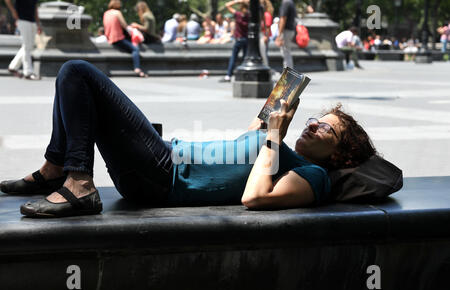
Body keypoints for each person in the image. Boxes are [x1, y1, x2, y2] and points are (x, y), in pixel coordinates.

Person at [0, 60, 376, 217]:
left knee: (77, 73)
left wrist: (276, 137)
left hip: (163, 175)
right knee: (75, 83)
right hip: (163, 157)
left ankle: (78, 182)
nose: (312, 126)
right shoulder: (279, 150)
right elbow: (251, 139)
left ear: (341, 156)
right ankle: (55, 168)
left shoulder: (315, 176)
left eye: (327, 129)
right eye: (314, 120)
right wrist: (276, 110)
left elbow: (255, 196)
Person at [103, 0, 147, 77]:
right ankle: (137, 68)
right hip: (118, 38)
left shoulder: (106, 13)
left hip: (109, 37)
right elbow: (124, 25)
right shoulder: (117, 13)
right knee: (135, 49)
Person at [5, 0, 41, 80]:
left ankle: (12, 67)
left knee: (28, 46)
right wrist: (13, 12)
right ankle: (28, 72)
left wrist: (38, 24)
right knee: (27, 46)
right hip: (22, 19)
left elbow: (35, 8)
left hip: (32, 21)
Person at [219, 0, 249, 82]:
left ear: (241, 6)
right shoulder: (249, 15)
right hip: (246, 39)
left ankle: (228, 75)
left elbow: (227, 5)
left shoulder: (238, 14)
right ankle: (245, 75)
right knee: (245, 58)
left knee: (234, 57)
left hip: (239, 39)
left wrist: (237, 1)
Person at [275, 0, 297, 69]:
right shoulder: (291, 2)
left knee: (286, 53)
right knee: (287, 52)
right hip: (290, 30)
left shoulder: (286, 3)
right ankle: (288, 75)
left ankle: (288, 76)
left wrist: (279, 35)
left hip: (286, 31)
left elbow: (283, 18)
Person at [259, 0, 273, 67]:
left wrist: (266, 37)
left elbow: (267, 27)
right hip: (263, 36)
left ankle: (266, 68)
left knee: (264, 55)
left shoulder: (267, 14)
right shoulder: (263, 15)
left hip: (264, 36)